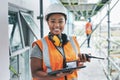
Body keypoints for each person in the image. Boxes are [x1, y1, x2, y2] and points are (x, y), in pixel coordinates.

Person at [31, 3, 90, 80]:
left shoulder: (73, 42)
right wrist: (55, 76)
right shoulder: (39, 46)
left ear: (65, 22)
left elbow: (75, 64)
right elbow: (35, 73)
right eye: (52, 21)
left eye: (60, 21)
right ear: (48, 22)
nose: (56, 25)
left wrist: (81, 60)